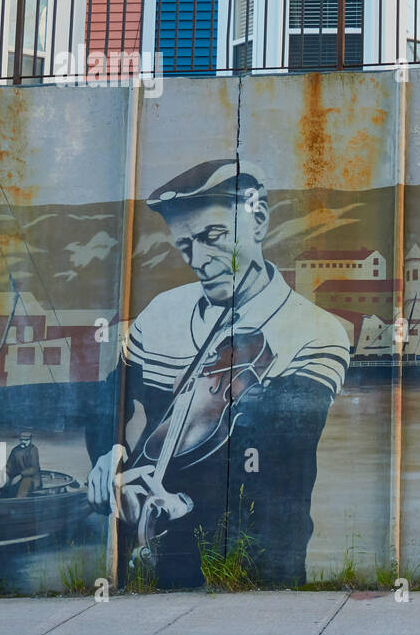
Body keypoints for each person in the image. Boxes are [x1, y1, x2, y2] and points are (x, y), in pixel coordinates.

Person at [86, 159, 351, 588]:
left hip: (260, 552)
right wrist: (111, 451)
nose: (199, 260)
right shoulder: (160, 314)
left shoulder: (316, 333)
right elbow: (116, 399)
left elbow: (276, 453)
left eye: (212, 238)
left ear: (258, 220)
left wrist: (176, 500)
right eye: (185, 245)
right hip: (149, 543)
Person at [1, 430, 42, 498]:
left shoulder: (33, 449)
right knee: (4, 489)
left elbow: (34, 468)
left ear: (30, 440)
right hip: (16, 477)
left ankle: (18, 505)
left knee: (21, 491)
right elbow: (9, 465)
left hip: (31, 479)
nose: (23, 442)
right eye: (21, 440)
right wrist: (6, 474)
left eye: (26, 440)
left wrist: (21, 475)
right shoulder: (15, 450)